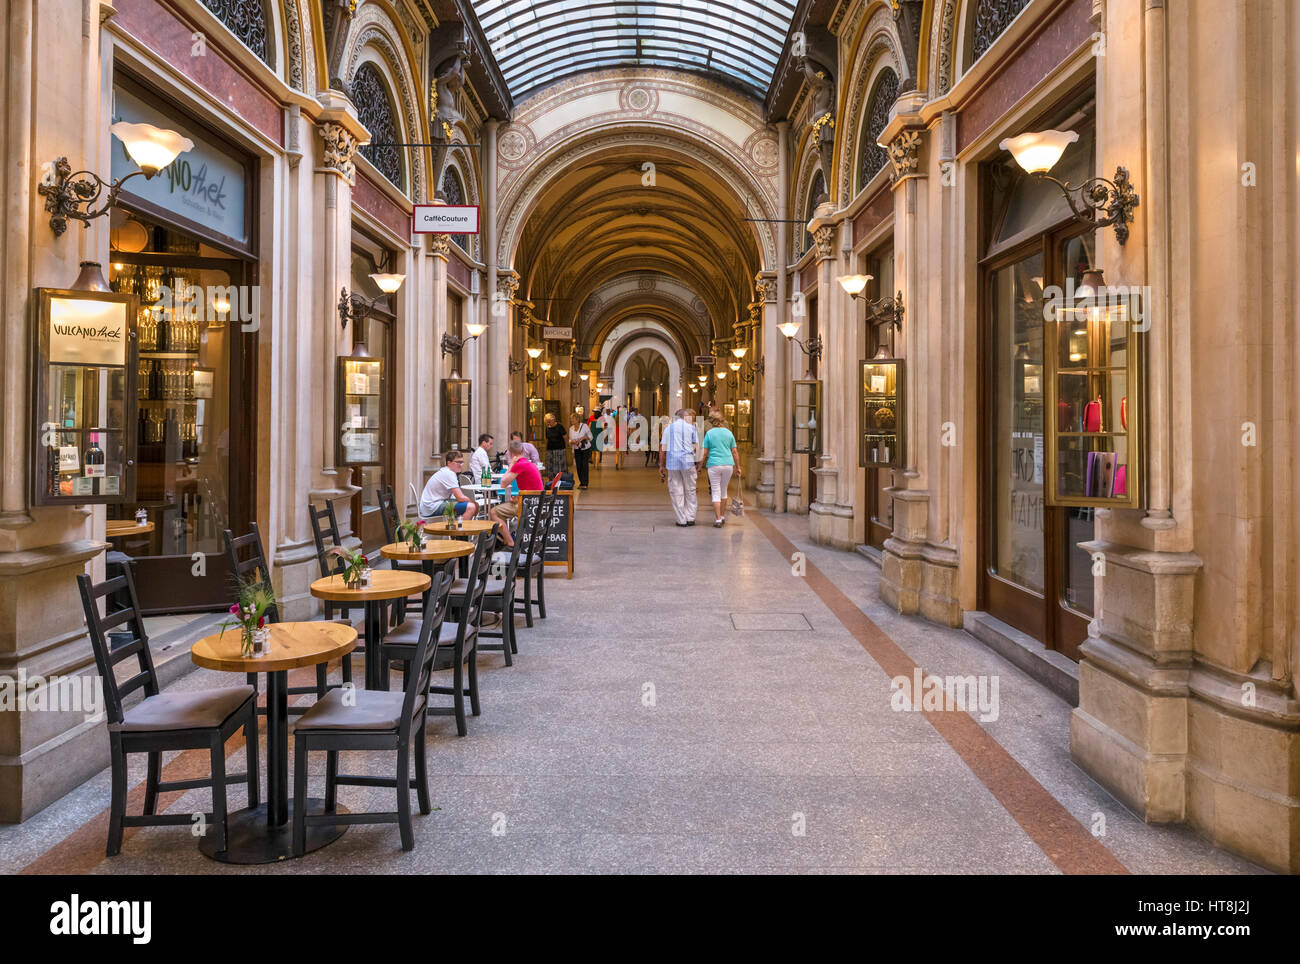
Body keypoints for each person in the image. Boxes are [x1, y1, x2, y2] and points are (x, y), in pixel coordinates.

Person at [488, 440, 545, 548]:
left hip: (528, 504)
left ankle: (509, 541)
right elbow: (531, 487)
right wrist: (519, 497)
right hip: (533, 501)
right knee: (503, 508)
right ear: (523, 451)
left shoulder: (519, 464)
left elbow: (503, 483)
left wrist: (512, 464)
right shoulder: (528, 463)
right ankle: (507, 538)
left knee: (493, 512)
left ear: (510, 453)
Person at [658, 408, 699, 526]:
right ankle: (690, 517)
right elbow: (696, 447)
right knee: (690, 490)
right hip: (688, 462)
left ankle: (681, 519)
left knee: (676, 491)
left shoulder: (668, 429)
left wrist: (661, 465)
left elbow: (662, 449)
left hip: (673, 463)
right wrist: (698, 463)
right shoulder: (691, 428)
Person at [698, 414, 740, 527]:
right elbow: (734, 452)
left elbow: (705, 452)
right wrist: (738, 467)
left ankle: (717, 520)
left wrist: (699, 466)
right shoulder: (729, 433)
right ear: (722, 421)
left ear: (711, 422)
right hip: (728, 464)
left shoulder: (709, 434)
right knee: (724, 491)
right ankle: (722, 516)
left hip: (714, 465)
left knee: (715, 491)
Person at [418, 451, 478, 520]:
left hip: (431, 505)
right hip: (432, 507)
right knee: (471, 507)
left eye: (462, 462)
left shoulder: (447, 472)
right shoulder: (449, 474)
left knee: (471, 505)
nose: (461, 465)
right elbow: (460, 497)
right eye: (458, 462)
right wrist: (472, 502)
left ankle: (458, 525)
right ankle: (461, 530)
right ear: (449, 463)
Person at [568, 412, 592, 488]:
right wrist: (572, 442)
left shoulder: (584, 426)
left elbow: (591, 437)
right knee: (578, 466)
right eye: (571, 419)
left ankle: (585, 483)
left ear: (577, 419)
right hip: (576, 448)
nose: (571, 420)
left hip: (585, 448)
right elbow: (570, 440)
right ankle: (581, 482)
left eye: (573, 419)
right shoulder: (571, 428)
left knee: (584, 465)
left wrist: (583, 438)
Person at [543, 412, 567, 478]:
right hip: (550, 449)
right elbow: (547, 438)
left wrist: (565, 447)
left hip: (559, 449)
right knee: (550, 465)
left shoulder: (559, 426)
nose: (548, 423)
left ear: (553, 420)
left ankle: (559, 479)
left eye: (549, 421)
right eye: (547, 422)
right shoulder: (547, 428)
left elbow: (565, 437)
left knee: (559, 465)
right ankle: (551, 479)